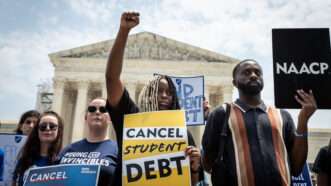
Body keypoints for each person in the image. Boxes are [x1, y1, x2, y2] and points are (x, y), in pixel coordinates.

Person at [106, 12, 203, 186]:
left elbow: (192, 182)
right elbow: (112, 79)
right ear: (147, 94)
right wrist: (123, 31)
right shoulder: (132, 120)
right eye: (158, 91)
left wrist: (195, 167)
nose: (164, 96)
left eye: (169, 92)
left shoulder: (182, 134)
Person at [202, 59, 317, 186]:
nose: (253, 75)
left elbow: (296, 168)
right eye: (246, 72)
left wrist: (303, 121)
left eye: (258, 72)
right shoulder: (221, 114)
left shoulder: (282, 116)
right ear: (234, 82)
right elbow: (208, 163)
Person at [58, 98, 118, 186]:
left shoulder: (117, 150)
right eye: (92, 109)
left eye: (103, 109)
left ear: (110, 118)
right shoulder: (67, 150)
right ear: (86, 118)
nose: (97, 112)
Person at [13, 111, 63, 186]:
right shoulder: (24, 160)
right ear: (37, 131)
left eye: (52, 126)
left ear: (59, 131)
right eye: (43, 126)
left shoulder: (64, 160)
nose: (47, 128)